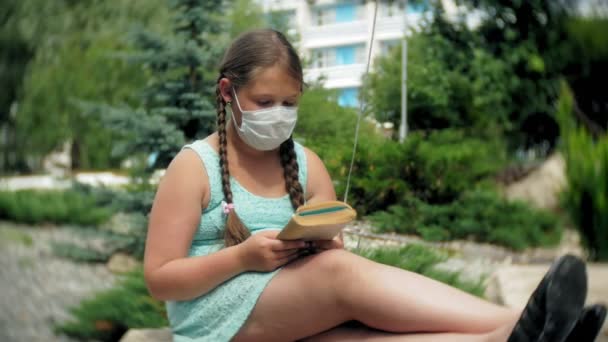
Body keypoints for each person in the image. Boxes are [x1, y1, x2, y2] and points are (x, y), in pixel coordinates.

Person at [143, 29, 606, 342]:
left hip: (290, 304)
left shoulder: (306, 165)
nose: (279, 113)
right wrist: (243, 256)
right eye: (265, 101)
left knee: (370, 334)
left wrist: (321, 245)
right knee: (341, 275)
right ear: (227, 93)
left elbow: (331, 252)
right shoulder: (193, 166)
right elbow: (160, 279)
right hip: (214, 314)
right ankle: (519, 321)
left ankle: (503, 338)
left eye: (290, 102)